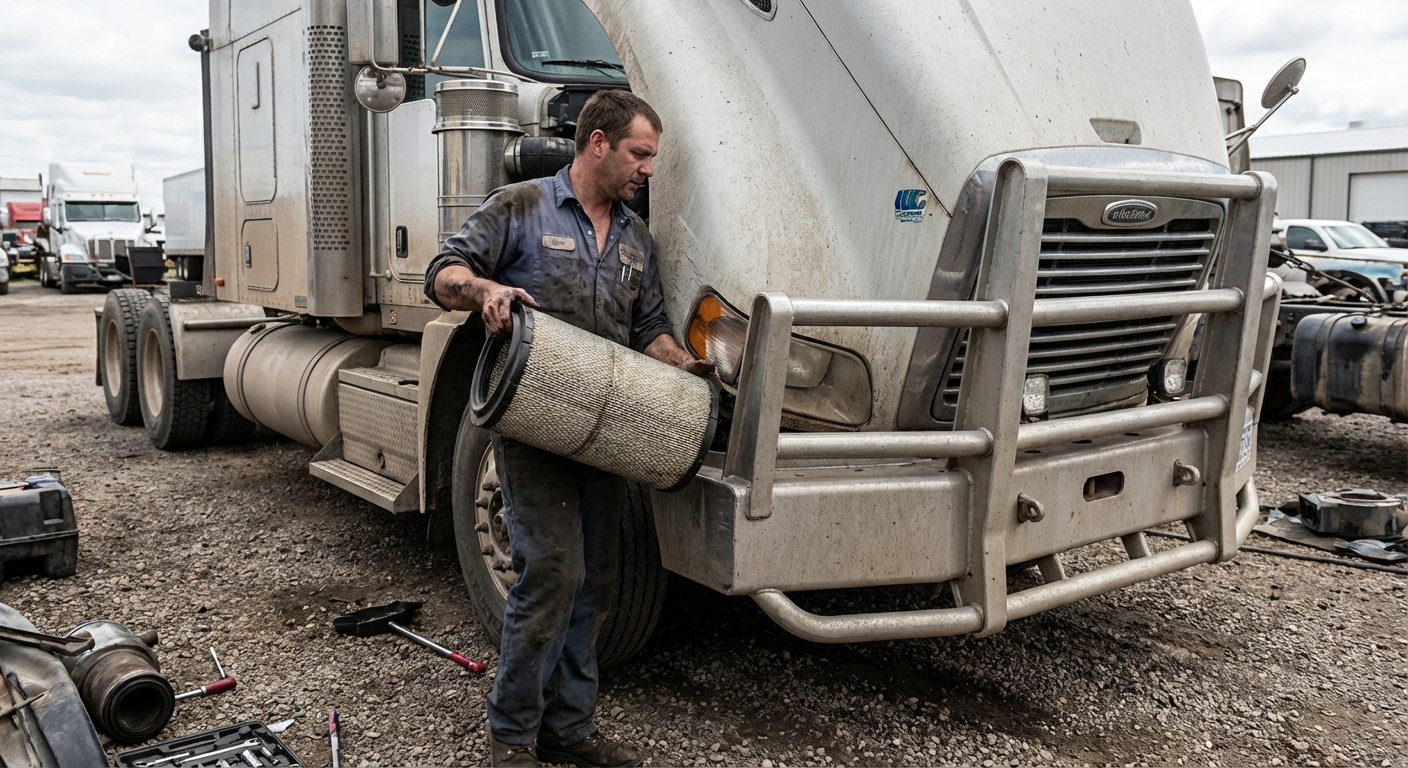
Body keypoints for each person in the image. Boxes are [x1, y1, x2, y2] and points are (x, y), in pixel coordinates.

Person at [424, 90, 714, 768]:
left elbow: (650, 332)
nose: (648, 170)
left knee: (596, 582)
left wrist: (687, 367)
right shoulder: (521, 207)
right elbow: (445, 274)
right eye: (641, 154)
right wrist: (485, 292)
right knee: (551, 573)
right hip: (535, 426)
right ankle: (513, 733)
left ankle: (570, 730)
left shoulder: (638, 240)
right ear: (598, 144)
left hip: (608, 433)